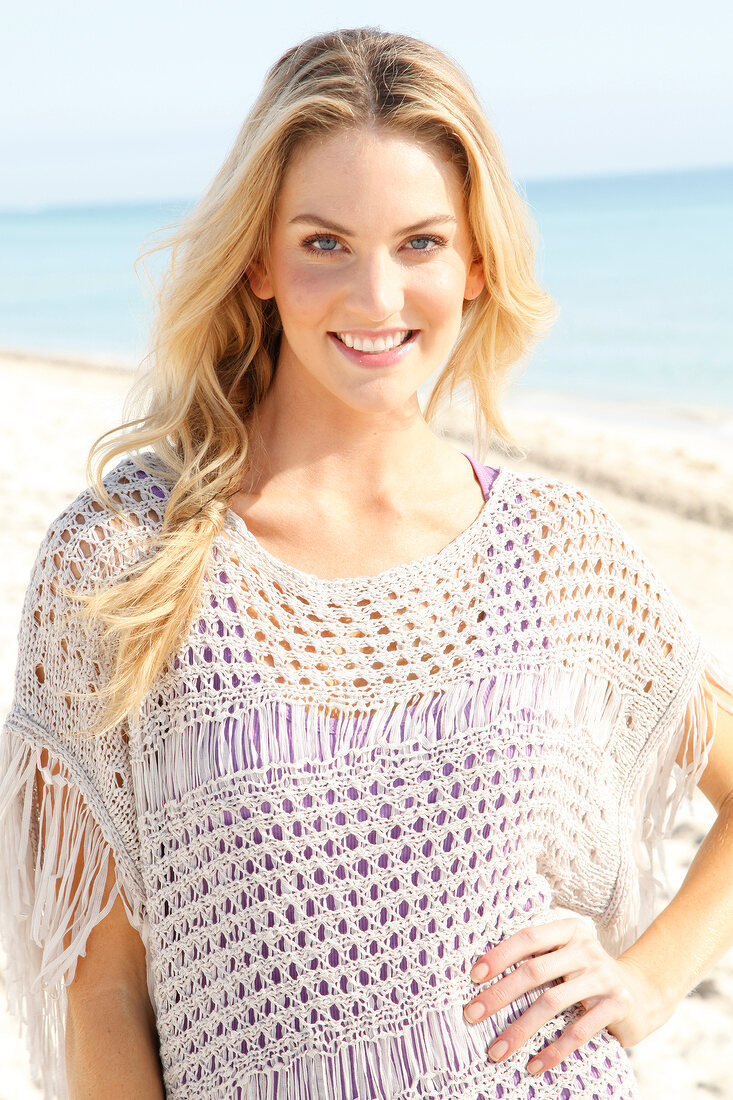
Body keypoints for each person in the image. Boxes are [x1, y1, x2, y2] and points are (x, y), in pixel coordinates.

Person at [1, 26, 732, 1100]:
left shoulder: (558, 550)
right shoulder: (124, 560)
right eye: (325, 242)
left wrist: (651, 977)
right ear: (257, 256)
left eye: (421, 243)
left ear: (477, 260)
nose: (378, 298)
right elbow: (98, 982)